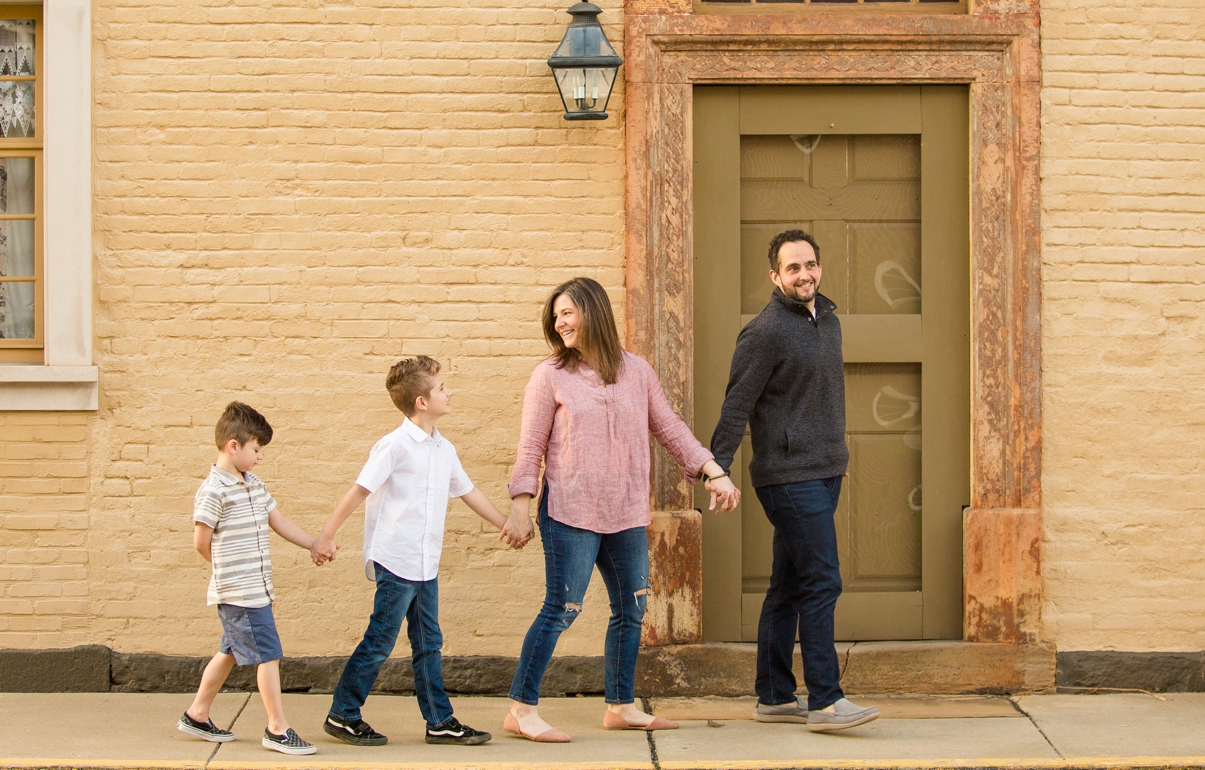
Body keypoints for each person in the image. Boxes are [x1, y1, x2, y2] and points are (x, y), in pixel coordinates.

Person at [500, 277, 740, 743]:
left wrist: (715, 472)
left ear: (592, 312)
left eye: (567, 312)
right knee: (562, 609)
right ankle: (521, 708)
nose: (559, 322)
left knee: (632, 608)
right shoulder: (549, 375)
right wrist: (520, 506)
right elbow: (530, 446)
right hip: (569, 511)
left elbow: (669, 428)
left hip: (626, 512)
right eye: (556, 316)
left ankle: (620, 705)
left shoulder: (637, 371)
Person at [709, 229, 879, 732]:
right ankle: (826, 700)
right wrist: (716, 469)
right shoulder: (764, 333)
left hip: (824, 471)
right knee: (822, 579)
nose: (803, 274)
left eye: (810, 265)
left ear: (819, 268)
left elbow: (824, 396)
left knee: (786, 586)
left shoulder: (828, 320)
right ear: (774, 276)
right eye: (792, 268)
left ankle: (775, 696)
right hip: (786, 478)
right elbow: (736, 404)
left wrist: (836, 453)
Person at [313, 355, 517, 747]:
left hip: (426, 564)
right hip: (396, 559)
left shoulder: (444, 449)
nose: (449, 391)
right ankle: (343, 713)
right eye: (441, 387)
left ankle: (439, 721)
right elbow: (359, 490)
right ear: (421, 401)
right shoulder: (393, 446)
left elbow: (469, 492)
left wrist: (506, 523)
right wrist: (326, 535)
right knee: (380, 641)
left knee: (429, 643)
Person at [178, 401, 322, 755]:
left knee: (229, 651)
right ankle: (277, 728)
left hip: (256, 588)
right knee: (268, 654)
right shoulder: (214, 490)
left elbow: (279, 522)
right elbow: (201, 542)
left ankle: (197, 713)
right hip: (240, 592)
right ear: (233, 446)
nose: (260, 457)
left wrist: (313, 544)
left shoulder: (254, 484)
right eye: (256, 449)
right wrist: (228, 570)